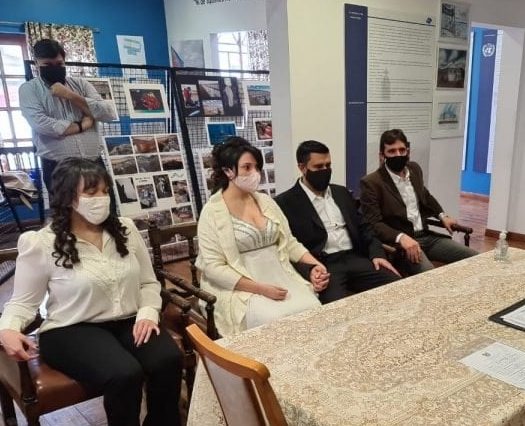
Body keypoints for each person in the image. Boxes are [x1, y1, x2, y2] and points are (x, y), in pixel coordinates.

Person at [0, 158, 186, 426]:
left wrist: (148, 312)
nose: (101, 198)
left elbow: (148, 282)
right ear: (69, 196)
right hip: (70, 329)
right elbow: (23, 302)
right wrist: (7, 329)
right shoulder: (41, 243)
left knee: (167, 360)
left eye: (105, 190)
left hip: (129, 320)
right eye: (91, 192)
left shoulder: (124, 229)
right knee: (123, 374)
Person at [196, 137, 329, 335]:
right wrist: (261, 289)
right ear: (227, 171)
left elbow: (289, 242)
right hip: (242, 285)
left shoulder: (266, 202)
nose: (255, 174)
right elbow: (214, 268)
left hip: (280, 275)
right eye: (247, 167)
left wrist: (316, 264)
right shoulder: (212, 212)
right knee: (273, 320)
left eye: (257, 167)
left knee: (311, 306)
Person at [276, 140, 400, 303]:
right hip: (323, 265)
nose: (325, 171)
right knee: (334, 310)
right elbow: (288, 248)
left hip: (355, 258)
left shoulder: (341, 192)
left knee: (398, 287)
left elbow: (365, 228)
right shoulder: (286, 202)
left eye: (328, 166)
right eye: (319, 167)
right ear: (302, 168)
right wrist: (309, 271)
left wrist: (377, 254)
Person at [360, 128, 477, 275]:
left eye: (402, 150)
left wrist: (442, 215)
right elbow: (374, 223)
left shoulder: (414, 169)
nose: (398, 155)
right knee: (429, 274)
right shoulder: (371, 182)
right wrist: (401, 237)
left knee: (475, 258)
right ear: (382, 156)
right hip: (402, 245)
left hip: (427, 237)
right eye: (392, 151)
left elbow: (425, 195)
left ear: (408, 151)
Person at [19, 39, 116, 196]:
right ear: (37, 63)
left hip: (93, 164)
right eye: (48, 65)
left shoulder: (81, 85)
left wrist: (70, 96)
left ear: (64, 61)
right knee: (66, 216)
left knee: (103, 212)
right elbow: (41, 124)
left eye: (59, 64)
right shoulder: (28, 90)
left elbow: (108, 113)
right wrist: (81, 125)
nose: (54, 68)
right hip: (57, 168)